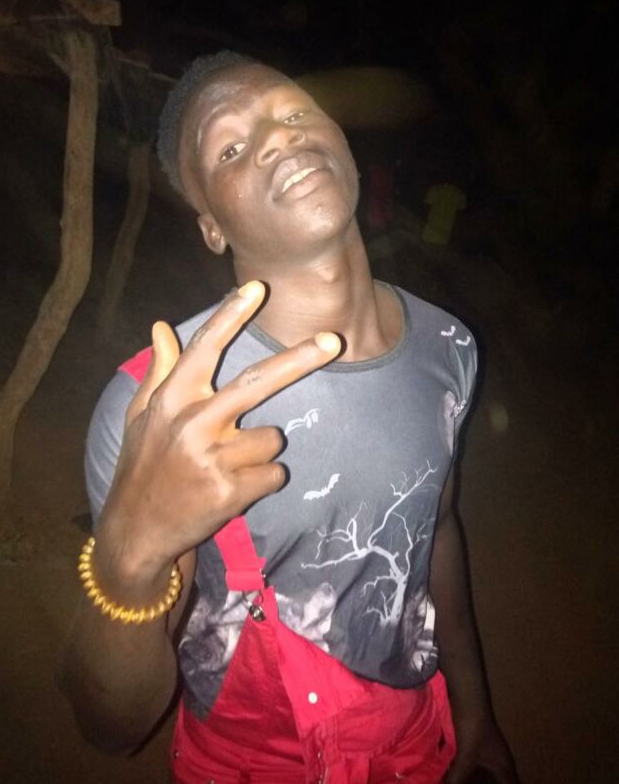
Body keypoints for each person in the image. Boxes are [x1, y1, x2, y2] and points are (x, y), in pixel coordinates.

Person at [60, 51, 518, 783]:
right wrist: (130, 560)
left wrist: (474, 709)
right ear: (212, 226)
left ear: (344, 144)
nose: (278, 135)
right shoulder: (164, 405)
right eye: (231, 147)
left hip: (412, 741)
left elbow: (436, 529)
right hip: (252, 760)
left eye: (296, 110)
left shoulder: (450, 344)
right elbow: (114, 727)